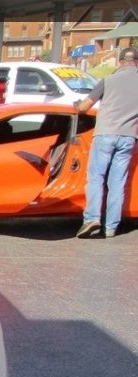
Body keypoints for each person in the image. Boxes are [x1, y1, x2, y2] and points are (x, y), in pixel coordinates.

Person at [73, 46, 138, 238]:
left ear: (119, 61)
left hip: (105, 134)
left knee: (96, 178)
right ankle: (111, 228)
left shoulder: (107, 80)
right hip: (128, 137)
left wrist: (76, 105)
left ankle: (92, 219)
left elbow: (85, 107)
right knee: (117, 183)